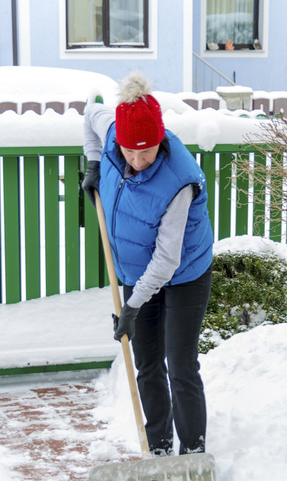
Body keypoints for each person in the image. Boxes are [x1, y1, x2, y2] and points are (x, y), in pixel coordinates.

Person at [83, 72, 213, 456]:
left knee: (180, 365)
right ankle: (157, 447)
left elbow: (167, 259)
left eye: (147, 151)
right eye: (129, 152)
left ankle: (192, 453)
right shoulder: (112, 135)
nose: (137, 161)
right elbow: (90, 113)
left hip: (184, 272)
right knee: (147, 363)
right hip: (138, 272)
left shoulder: (180, 181)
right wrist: (94, 165)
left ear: (161, 140)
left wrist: (132, 307)